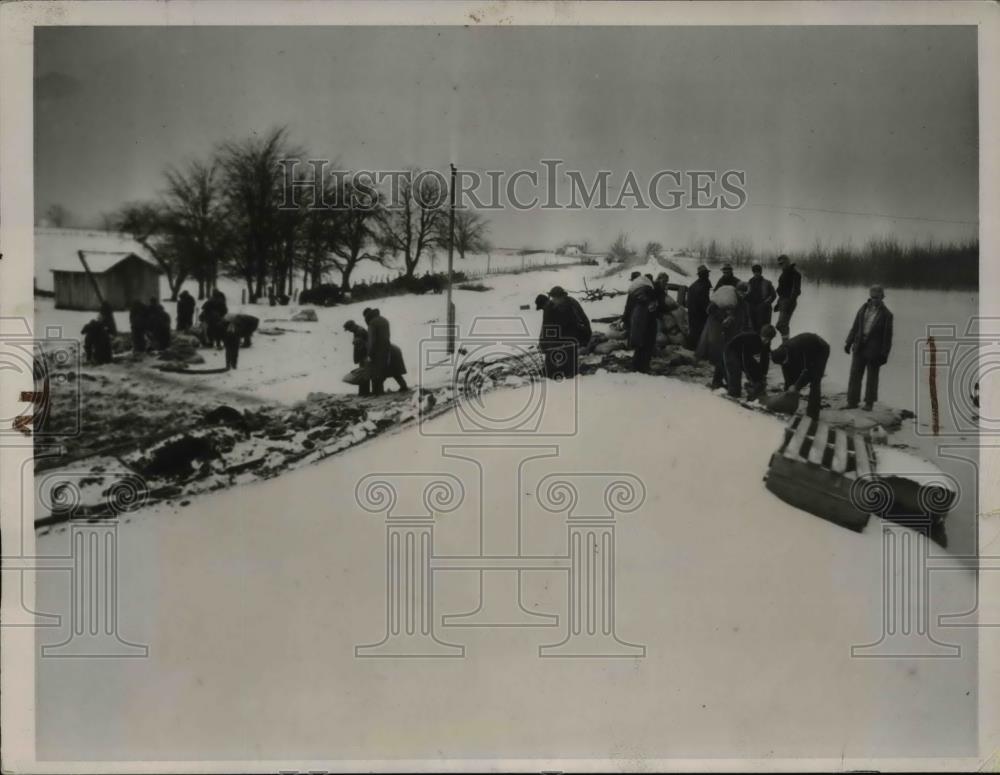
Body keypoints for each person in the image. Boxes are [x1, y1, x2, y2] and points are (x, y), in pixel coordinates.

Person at [845, 285, 893, 411]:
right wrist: (848, 342)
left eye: (877, 297)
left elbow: (887, 337)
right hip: (859, 345)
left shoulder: (887, 315)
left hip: (874, 350)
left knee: (872, 377)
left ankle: (869, 403)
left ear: (882, 297)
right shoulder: (863, 308)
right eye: (872, 297)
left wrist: (884, 354)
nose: (874, 300)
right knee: (854, 374)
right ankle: (852, 401)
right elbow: (855, 327)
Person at [771, 332, 830, 420]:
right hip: (806, 351)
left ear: (786, 356)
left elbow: (806, 369)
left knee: (815, 380)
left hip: (820, 349)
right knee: (792, 383)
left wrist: (796, 386)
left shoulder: (797, 349)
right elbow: (787, 371)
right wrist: (788, 389)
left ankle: (813, 415)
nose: (783, 364)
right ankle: (790, 407)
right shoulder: (782, 351)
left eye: (784, 361)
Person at [536, 286, 592, 378]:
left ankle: (570, 369)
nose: (554, 300)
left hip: (575, 332)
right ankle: (549, 369)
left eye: (557, 298)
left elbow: (583, 321)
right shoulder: (549, 307)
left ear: (563, 297)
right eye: (553, 298)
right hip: (560, 332)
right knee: (551, 347)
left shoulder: (572, 304)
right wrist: (542, 343)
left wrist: (586, 339)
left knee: (569, 350)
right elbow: (545, 327)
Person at [623, 274, 658, 374]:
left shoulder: (633, 290)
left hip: (637, 320)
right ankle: (643, 367)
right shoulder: (650, 290)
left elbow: (628, 308)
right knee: (648, 341)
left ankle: (636, 365)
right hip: (645, 319)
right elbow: (653, 307)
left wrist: (625, 320)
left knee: (640, 343)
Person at [722, 328, 768, 400]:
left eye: (769, 340)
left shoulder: (765, 343)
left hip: (740, 352)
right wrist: (749, 376)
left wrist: (763, 374)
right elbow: (745, 360)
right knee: (735, 371)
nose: (766, 341)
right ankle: (733, 395)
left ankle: (754, 389)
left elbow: (765, 359)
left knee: (755, 367)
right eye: (765, 339)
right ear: (761, 335)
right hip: (731, 350)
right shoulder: (753, 339)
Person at [363, 307, 397, 396]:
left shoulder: (372, 323)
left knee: (375, 371)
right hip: (386, 347)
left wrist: (369, 353)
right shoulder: (384, 320)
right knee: (382, 369)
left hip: (376, 350)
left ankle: (377, 391)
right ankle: (380, 390)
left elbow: (372, 340)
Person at [774, 254, 802, 338]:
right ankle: (786, 343)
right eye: (780, 264)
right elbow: (782, 290)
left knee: (781, 325)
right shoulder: (784, 273)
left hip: (789, 301)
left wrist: (790, 302)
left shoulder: (795, 274)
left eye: (782, 263)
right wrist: (778, 303)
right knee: (782, 325)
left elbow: (796, 290)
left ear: (787, 262)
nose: (781, 265)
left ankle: (786, 344)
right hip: (783, 301)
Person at [686, 265, 712, 350]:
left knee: (693, 329)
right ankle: (698, 348)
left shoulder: (694, 285)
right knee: (700, 330)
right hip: (699, 311)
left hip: (692, 310)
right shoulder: (704, 285)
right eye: (707, 273)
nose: (708, 275)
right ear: (703, 274)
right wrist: (709, 310)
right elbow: (704, 301)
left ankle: (690, 347)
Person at [344, 320, 371, 396]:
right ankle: (363, 392)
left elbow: (362, 344)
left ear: (352, 327)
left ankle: (364, 392)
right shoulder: (358, 330)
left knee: (363, 373)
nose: (349, 331)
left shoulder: (359, 331)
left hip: (364, 356)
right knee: (363, 373)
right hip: (363, 355)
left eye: (349, 329)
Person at [746, 264, 776, 332]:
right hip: (752, 308)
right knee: (753, 328)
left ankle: (765, 341)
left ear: (761, 272)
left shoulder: (767, 283)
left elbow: (773, 295)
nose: (756, 273)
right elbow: (748, 295)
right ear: (753, 272)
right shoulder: (750, 282)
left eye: (758, 272)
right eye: (754, 272)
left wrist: (765, 303)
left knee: (764, 328)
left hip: (764, 309)